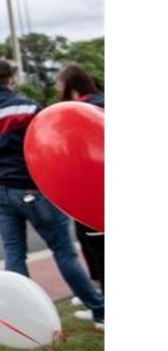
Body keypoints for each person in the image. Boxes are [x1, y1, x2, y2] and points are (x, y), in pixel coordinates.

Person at [0, 59, 104, 328]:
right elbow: (46, 142)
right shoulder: (27, 107)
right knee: (63, 251)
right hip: (30, 187)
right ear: (11, 79)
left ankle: (23, 318)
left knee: (14, 253)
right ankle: (99, 309)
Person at [55, 64, 105, 303]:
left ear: (70, 88)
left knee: (96, 246)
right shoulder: (102, 103)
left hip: (90, 191)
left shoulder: (78, 112)